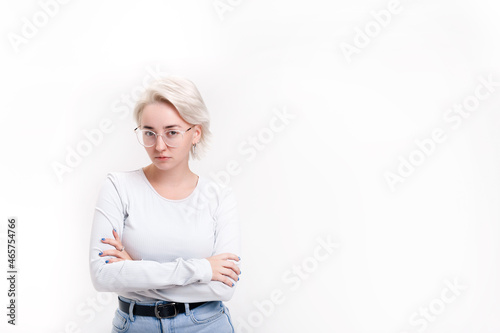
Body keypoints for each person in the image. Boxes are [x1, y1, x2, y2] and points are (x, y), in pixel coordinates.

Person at [88, 75, 242, 332]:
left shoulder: (219, 197)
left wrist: (133, 271)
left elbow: (223, 287)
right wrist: (203, 268)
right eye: (149, 133)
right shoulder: (118, 187)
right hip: (136, 325)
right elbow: (102, 276)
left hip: (206, 325)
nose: (159, 145)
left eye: (172, 132)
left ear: (196, 133)